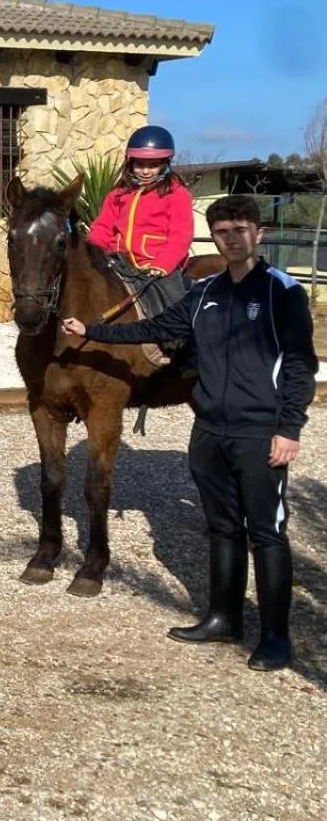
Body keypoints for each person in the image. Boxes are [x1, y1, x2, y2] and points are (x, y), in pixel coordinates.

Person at [62, 194, 316, 672]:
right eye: (222, 232)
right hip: (210, 430)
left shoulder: (282, 291)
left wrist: (288, 429)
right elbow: (154, 327)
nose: (231, 239)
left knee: (266, 531)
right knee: (222, 526)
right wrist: (91, 331)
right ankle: (223, 618)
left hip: (260, 430)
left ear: (258, 234)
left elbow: (301, 365)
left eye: (240, 230)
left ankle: (275, 636)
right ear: (214, 238)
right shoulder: (205, 293)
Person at [86, 126, 195, 362]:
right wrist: (92, 252)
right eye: (140, 164)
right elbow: (103, 226)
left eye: (153, 165)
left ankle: (182, 352)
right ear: (130, 163)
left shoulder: (177, 194)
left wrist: (163, 264)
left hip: (156, 264)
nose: (145, 171)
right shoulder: (118, 194)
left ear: (165, 163)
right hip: (119, 261)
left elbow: (181, 234)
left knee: (173, 299)